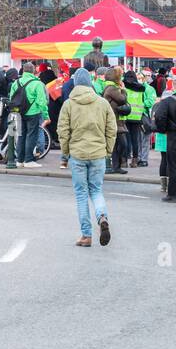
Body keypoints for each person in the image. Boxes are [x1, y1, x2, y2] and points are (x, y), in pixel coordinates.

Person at [57, 68, 115, 247]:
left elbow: (63, 131)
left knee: (81, 194)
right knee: (96, 190)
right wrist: (108, 150)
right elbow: (111, 129)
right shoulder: (102, 103)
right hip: (98, 153)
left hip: (78, 153)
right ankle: (102, 216)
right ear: (90, 82)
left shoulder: (68, 104)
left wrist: (65, 153)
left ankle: (86, 235)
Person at [8, 62, 49, 168]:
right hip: (33, 112)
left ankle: (20, 160)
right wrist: (46, 116)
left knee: (21, 135)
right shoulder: (37, 83)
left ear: (23, 70)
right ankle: (28, 160)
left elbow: (11, 98)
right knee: (31, 136)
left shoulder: (16, 83)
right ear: (34, 70)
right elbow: (42, 101)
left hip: (18, 112)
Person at [100, 68, 132, 175]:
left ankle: (116, 166)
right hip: (114, 122)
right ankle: (112, 166)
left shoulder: (111, 87)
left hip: (116, 121)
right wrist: (123, 90)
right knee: (120, 144)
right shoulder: (111, 88)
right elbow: (122, 99)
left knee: (118, 144)